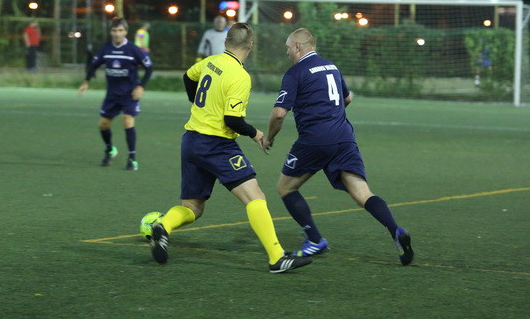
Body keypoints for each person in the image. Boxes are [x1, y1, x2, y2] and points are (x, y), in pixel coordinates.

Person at [149, 22, 312, 273]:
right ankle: (277, 258)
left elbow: (188, 77)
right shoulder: (239, 76)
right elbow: (232, 120)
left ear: (226, 42)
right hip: (217, 145)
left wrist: (196, 102)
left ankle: (164, 226)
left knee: (192, 206)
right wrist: (256, 133)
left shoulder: (210, 62)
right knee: (255, 198)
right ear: (251, 45)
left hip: (191, 141)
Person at [263, 27, 414, 266]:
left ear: (299, 46)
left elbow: (279, 113)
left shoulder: (296, 72)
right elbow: (347, 98)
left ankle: (315, 240)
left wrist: (269, 137)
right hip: (344, 137)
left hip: (315, 139)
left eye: (288, 48)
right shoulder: (331, 66)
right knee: (363, 193)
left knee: (285, 188)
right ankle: (396, 230)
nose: (287, 53)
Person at [78, 17, 153, 171]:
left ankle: (132, 159)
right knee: (103, 125)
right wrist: (86, 81)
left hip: (129, 94)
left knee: (127, 120)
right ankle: (110, 150)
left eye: (120, 30)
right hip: (112, 95)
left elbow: (149, 68)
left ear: (126, 32)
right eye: (114, 30)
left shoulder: (133, 49)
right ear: (110, 32)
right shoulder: (106, 49)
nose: (117, 34)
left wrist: (140, 86)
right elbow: (93, 65)